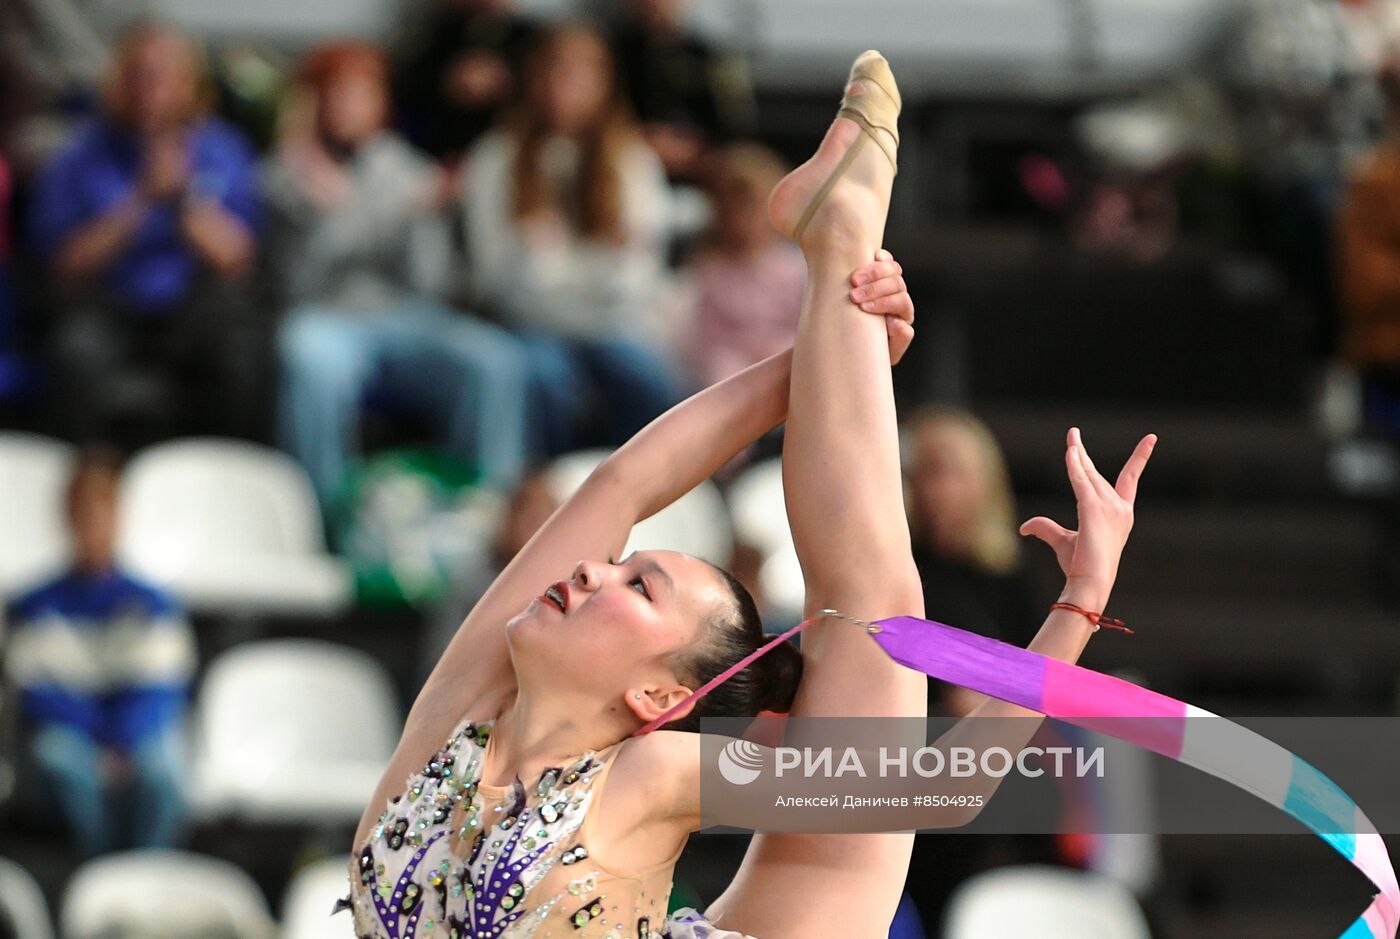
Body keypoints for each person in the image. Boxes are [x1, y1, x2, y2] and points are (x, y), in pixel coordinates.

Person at [348, 51, 1153, 938]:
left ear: (659, 701)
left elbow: (942, 786)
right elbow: (622, 484)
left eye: (636, 585)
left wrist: (1078, 605)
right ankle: (837, 249)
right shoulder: (452, 721)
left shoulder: (648, 777)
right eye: (623, 571)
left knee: (868, 614)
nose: (590, 571)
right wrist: (819, 356)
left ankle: (842, 231)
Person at [266, 40, 527, 503]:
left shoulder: (406, 168)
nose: (346, 106)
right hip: (326, 316)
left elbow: (432, 282)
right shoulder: (287, 171)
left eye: (360, 94)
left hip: (403, 317)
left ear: (381, 103)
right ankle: (327, 511)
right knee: (307, 354)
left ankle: (490, 514)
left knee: (494, 360)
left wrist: (428, 222)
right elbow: (304, 276)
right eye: (336, 93)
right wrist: (394, 215)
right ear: (315, 101)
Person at [28, 21, 264, 447]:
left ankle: (225, 480)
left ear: (189, 84)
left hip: (193, 310)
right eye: (138, 75)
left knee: (239, 349)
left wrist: (181, 199)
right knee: (73, 351)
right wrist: (140, 199)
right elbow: (65, 265)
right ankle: (87, 490)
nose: (148, 89)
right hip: (107, 307)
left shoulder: (222, 148)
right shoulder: (80, 153)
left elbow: (237, 259)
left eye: (163, 76)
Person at [463, 24, 681, 458]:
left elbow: (638, 276)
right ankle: (546, 494)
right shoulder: (497, 157)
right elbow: (489, 275)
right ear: (533, 81)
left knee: (656, 385)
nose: (564, 90)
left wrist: (564, 264)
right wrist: (548, 262)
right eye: (554, 74)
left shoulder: (631, 160)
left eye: (580, 77)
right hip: (529, 326)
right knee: (544, 378)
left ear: (604, 85)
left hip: (610, 324)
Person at [4, 447, 197, 858]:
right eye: (84, 513)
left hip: (131, 741)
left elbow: (160, 692)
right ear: (66, 518)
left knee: (163, 768)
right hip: (75, 740)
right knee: (57, 756)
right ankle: (99, 866)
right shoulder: (35, 606)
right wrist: (98, 742)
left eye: (103, 512)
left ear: (120, 516)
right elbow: (38, 695)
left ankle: (146, 871)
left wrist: (121, 742)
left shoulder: (152, 604)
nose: (94, 525)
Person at [681, 143, 804, 391]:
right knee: (721, 373)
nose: (745, 223)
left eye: (753, 210)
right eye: (735, 211)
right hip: (731, 362)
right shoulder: (712, 268)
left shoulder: (793, 267)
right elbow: (707, 336)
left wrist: (770, 349)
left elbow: (803, 326)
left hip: (780, 354)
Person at [611, 0, 755, 182]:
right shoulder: (611, 52)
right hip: (626, 164)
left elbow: (736, 127)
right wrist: (638, 139)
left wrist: (692, 149)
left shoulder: (710, 57)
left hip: (702, 169)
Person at [394, 0, 540, 162]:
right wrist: (449, 80)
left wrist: (505, 81)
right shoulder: (433, 33)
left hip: (515, 152)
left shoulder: (531, 37)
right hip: (437, 154)